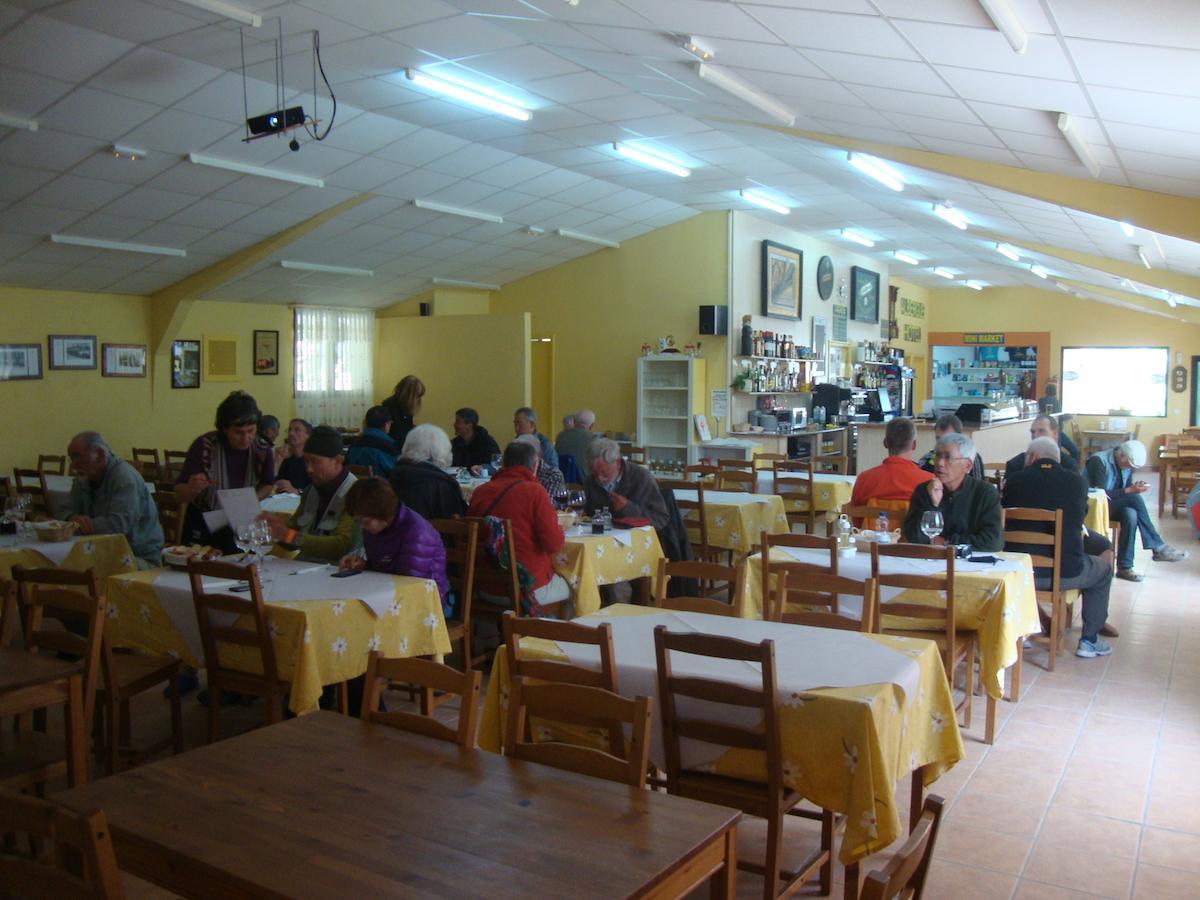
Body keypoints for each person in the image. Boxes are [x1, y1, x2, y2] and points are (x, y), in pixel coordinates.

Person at [1003, 437, 1116, 658]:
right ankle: (1089, 640)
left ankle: (1022, 629)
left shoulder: (1014, 481)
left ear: (1032, 457)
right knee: (1103, 569)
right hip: (1063, 572)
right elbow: (1080, 519)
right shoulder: (1077, 483)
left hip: (1019, 572)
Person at [466, 440, 569, 609]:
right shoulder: (535, 492)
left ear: (504, 463)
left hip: (485, 586)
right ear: (535, 465)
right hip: (526, 588)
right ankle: (555, 633)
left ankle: (489, 634)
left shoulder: (480, 491)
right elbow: (554, 544)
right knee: (577, 584)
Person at [176, 391, 276, 553]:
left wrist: (250, 500)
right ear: (224, 429)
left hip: (241, 523)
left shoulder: (262, 449)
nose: (246, 438)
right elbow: (179, 494)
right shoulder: (205, 446)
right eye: (238, 433)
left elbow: (267, 484)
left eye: (251, 431)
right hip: (204, 523)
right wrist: (192, 488)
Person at [339, 478, 450, 617]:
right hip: (394, 594)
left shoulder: (416, 533)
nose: (361, 527)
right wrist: (363, 565)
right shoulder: (376, 528)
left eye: (364, 521)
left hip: (427, 604)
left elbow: (408, 584)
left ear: (381, 513)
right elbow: (385, 569)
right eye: (358, 521)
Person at [1085, 440, 1188, 581]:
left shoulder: (1125, 465)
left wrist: (1133, 488)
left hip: (1111, 505)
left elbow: (1125, 491)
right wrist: (1130, 490)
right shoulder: (1098, 461)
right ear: (1121, 455)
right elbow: (1099, 494)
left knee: (1131, 514)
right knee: (1134, 499)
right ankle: (1158, 547)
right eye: (1128, 464)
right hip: (1093, 506)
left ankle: (1125, 567)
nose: (1128, 468)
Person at [58, 431, 163, 569]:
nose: (73, 466)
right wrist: (72, 517)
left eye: (77, 457)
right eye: (71, 459)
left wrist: (82, 526)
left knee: (75, 570)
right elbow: (63, 510)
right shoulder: (85, 476)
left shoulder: (124, 478)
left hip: (136, 557)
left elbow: (119, 525)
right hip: (100, 551)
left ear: (100, 456)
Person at [261, 425, 360, 563]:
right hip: (306, 568)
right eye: (306, 461)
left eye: (315, 462)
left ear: (337, 461)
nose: (308, 469)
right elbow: (292, 535)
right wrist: (274, 532)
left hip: (337, 573)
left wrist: (288, 535)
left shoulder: (355, 493)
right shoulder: (310, 491)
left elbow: (342, 545)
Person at [903, 432, 1002, 550]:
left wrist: (947, 542)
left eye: (947, 457)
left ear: (967, 466)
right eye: (938, 456)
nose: (939, 463)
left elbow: (993, 542)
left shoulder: (985, 493)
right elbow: (913, 537)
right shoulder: (924, 491)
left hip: (971, 564)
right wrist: (933, 505)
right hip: (930, 562)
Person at [583, 437, 669, 529]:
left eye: (605, 472)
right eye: (594, 473)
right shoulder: (590, 481)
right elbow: (588, 515)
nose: (599, 478)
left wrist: (627, 508)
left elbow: (661, 519)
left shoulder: (641, 478)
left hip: (636, 539)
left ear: (618, 463)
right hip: (601, 538)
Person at [389, 424, 467, 522]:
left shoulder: (394, 476)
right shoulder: (442, 485)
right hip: (431, 536)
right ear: (440, 451)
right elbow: (456, 526)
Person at [850, 417, 932, 505]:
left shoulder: (864, 480)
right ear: (914, 445)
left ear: (885, 443)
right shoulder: (929, 483)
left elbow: (856, 515)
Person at [1004, 415, 1077, 477]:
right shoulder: (1015, 464)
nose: (1035, 435)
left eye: (1041, 431)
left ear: (1055, 434)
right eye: (1032, 432)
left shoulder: (1068, 465)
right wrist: (1027, 470)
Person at [919, 413, 985, 480]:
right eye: (938, 438)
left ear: (959, 437)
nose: (942, 443)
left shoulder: (971, 457)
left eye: (948, 439)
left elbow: (978, 485)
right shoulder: (927, 458)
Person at [346, 406, 399, 477]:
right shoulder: (388, 446)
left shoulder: (354, 443)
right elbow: (395, 472)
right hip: (380, 486)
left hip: (357, 486)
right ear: (386, 425)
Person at [514, 433, 565, 499]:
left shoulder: (553, 475)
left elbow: (547, 505)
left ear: (539, 455)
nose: (521, 460)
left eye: (527, 456)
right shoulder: (512, 473)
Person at [381, 375, 424, 447]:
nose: (418, 400)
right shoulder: (389, 406)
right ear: (408, 394)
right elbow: (397, 434)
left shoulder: (406, 406)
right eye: (416, 396)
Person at [274, 418, 312, 493]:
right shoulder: (286, 460)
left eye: (297, 430)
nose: (291, 433)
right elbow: (272, 483)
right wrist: (278, 460)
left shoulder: (312, 462)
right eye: (289, 430)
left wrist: (296, 491)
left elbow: (316, 492)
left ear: (308, 435)